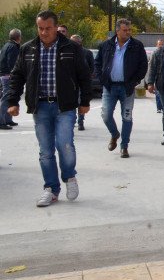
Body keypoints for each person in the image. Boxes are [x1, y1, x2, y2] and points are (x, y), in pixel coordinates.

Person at [3, 11, 91, 207]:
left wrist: (85, 101)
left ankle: (69, 177)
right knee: (46, 151)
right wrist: (12, 101)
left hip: (64, 106)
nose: (44, 32)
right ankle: (51, 189)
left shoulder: (71, 48)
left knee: (65, 145)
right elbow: (17, 76)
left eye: (48, 28)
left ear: (56, 27)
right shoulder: (28, 49)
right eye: (40, 28)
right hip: (40, 106)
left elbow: (84, 75)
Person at [94, 18, 148, 158]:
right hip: (109, 87)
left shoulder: (137, 46)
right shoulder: (106, 45)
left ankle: (124, 146)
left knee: (127, 118)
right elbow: (98, 63)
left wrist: (135, 81)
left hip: (127, 88)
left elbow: (143, 66)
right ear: (117, 31)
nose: (128, 32)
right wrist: (101, 78)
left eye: (129, 30)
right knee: (105, 115)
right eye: (125, 30)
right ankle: (114, 134)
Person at [69, 34, 94, 131]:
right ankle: (72, 121)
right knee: (71, 103)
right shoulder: (68, 53)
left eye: (75, 42)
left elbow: (92, 67)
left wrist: (86, 78)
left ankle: (80, 121)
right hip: (70, 83)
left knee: (81, 102)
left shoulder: (87, 53)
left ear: (80, 43)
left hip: (81, 82)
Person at [0, 28, 22, 129]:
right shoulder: (13, 47)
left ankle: (8, 119)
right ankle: (1, 121)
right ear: (18, 37)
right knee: (6, 98)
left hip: (4, 74)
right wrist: (14, 74)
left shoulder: (6, 45)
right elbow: (12, 63)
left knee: (9, 98)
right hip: (8, 75)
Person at [154, 39, 164, 114]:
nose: (160, 46)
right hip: (156, 76)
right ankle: (159, 107)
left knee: (163, 93)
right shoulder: (154, 54)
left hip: (163, 77)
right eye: (159, 44)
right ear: (157, 45)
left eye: (161, 44)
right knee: (157, 93)